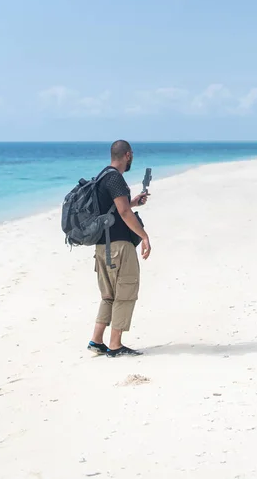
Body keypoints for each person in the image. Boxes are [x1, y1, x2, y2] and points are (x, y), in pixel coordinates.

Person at [87, 140, 151, 358]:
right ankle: (115, 345)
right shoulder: (116, 178)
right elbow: (123, 214)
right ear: (128, 155)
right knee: (125, 293)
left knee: (109, 295)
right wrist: (144, 236)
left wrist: (132, 203)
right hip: (119, 247)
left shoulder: (102, 176)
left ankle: (96, 341)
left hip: (101, 247)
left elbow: (115, 209)